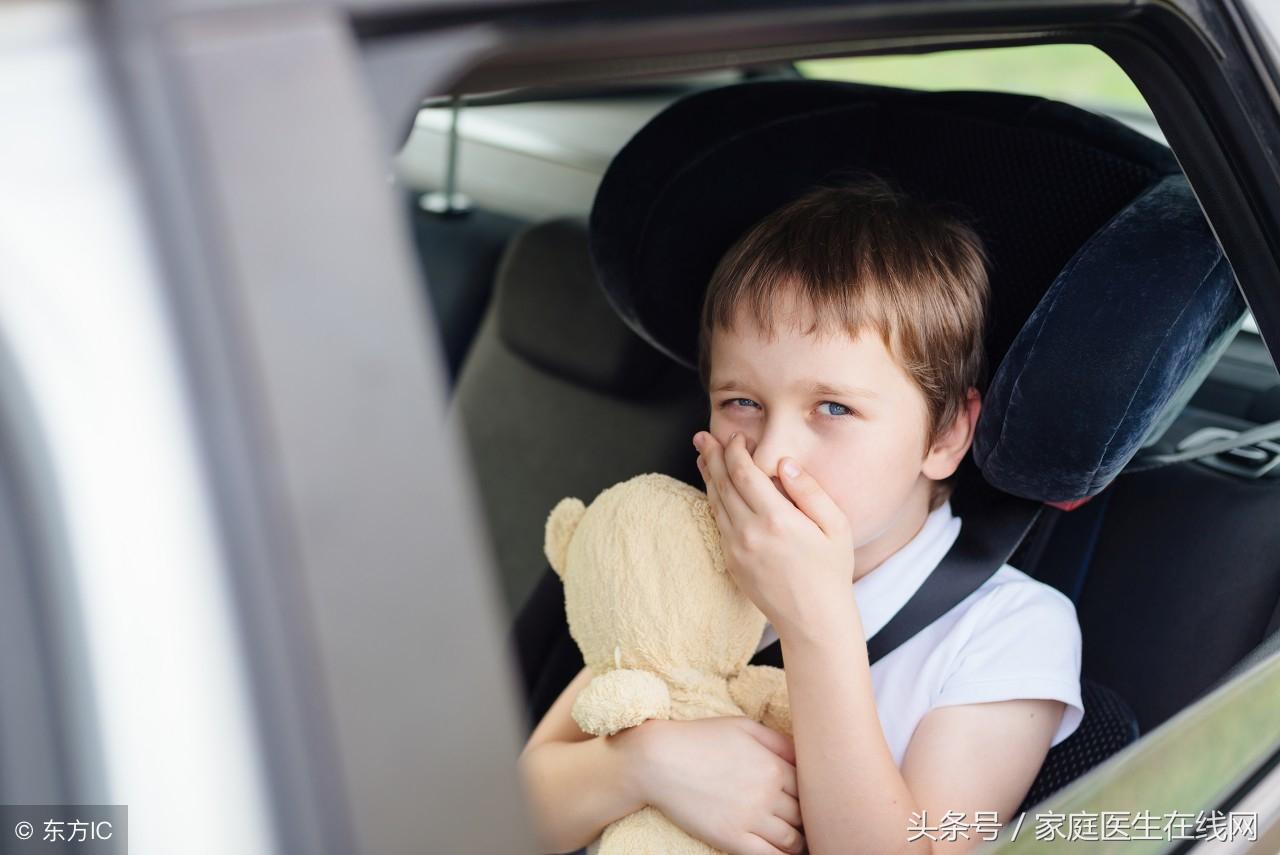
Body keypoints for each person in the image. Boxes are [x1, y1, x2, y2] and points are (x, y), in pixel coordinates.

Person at [517, 173, 1084, 855]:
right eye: (741, 403)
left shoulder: (1009, 631)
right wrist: (647, 764)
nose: (772, 451)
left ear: (944, 436)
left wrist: (813, 619)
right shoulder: (692, 556)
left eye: (835, 407)